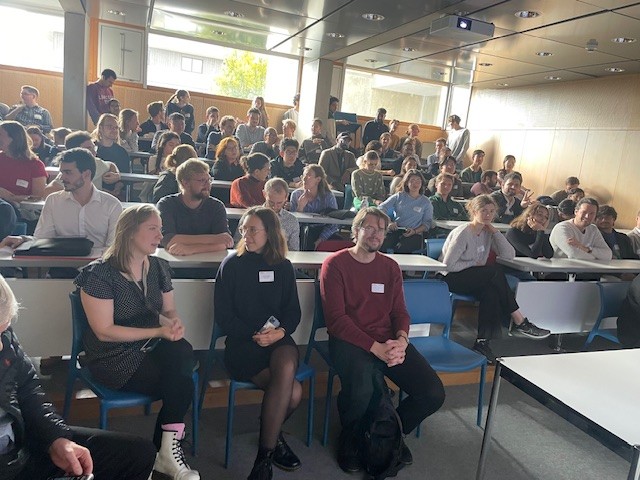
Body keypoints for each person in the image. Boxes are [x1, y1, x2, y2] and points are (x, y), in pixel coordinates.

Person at [75, 205, 200, 479]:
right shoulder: (100, 275)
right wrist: (159, 331)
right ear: (130, 231)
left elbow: (169, 310)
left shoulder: (157, 267)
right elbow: (104, 332)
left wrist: (173, 323)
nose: (160, 236)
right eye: (152, 228)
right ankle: (166, 451)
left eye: (161, 229)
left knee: (182, 351)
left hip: (150, 347)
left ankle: (163, 452)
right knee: (182, 383)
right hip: (113, 358)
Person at [320, 207, 445, 473]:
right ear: (356, 231)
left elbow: (400, 312)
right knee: (363, 389)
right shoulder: (335, 264)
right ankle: (352, 440)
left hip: (388, 341)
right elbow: (337, 320)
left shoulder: (390, 267)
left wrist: (402, 340)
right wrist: (374, 348)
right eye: (369, 227)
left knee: (432, 393)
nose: (375, 234)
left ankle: (390, 432)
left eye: (381, 229)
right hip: (349, 341)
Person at [0, 274, 157, 480]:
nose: (1, 345)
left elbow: (28, 391)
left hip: (21, 446)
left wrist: (56, 439)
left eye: (3, 330)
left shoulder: (6, 339)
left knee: (138, 454)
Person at [214, 207, 303, 479]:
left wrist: (280, 332)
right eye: (243, 229)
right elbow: (224, 317)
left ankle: (263, 459)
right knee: (294, 393)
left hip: (277, 340)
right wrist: (255, 334)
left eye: (253, 230)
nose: (246, 235)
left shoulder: (283, 266)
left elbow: (293, 312)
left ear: (270, 233)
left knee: (286, 365)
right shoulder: (232, 265)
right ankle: (272, 442)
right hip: (243, 344)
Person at [439, 195, 551, 362]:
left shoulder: (488, 233)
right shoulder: (464, 233)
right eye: (484, 211)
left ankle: (482, 342)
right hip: (452, 278)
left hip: (475, 277)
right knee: (494, 271)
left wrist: (496, 232)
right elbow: (448, 266)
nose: (488, 215)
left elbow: (509, 255)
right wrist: (473, 263)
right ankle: (519, 320)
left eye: (491, 211)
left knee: (491, 292)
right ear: (474, 211)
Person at [157, 159, 233, 256]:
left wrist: (191, 249)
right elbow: (168, 240)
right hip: (173, 262)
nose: (207, 184)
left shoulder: (217, 206)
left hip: (209, 262)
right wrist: (214, 239)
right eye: (202, 180)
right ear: (185, 183)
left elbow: (225, 242)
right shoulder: (166, 204)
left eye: (209, 180)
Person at [43, 130, 122, 196]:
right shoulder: (70, 170)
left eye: (94, 148)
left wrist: (116, 174)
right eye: (88, 149)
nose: (94, 152)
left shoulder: (96, 163)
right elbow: (48, 191)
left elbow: (110, 164)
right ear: (75, 151)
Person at [379, 169, 432, 253]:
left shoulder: (426, 202)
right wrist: (389, 222)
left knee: (402, 248)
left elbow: (427, 223)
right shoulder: (399, 196)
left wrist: (415, 231)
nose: (415, 183)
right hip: (397, 229)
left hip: (414, 233)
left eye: (418, 181)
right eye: (412, 181)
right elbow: (381, 208)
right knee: (382, 243)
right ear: (407, 182)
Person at [290, 164, 339, 249]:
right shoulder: (296, 194)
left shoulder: (328, 196)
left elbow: (334, 224)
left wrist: (320, 240)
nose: (304, 179)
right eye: (303, 175)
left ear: (318, 179)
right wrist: (300, 208)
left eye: (309, 176)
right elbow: (293, 223)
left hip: (322, 230)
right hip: (303, 231)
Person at [0, 121, 47, 204]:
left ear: (14, 138)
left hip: (21, 209)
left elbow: (38, 197)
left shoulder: (35, 165)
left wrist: (11, 198)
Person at [264, 178, 299, 251]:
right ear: (264, 194)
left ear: (286, 197)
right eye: (271, 202)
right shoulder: (252, 217)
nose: (274, 206)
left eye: (279, 203)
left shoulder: (292, 220)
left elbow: (294, 250)